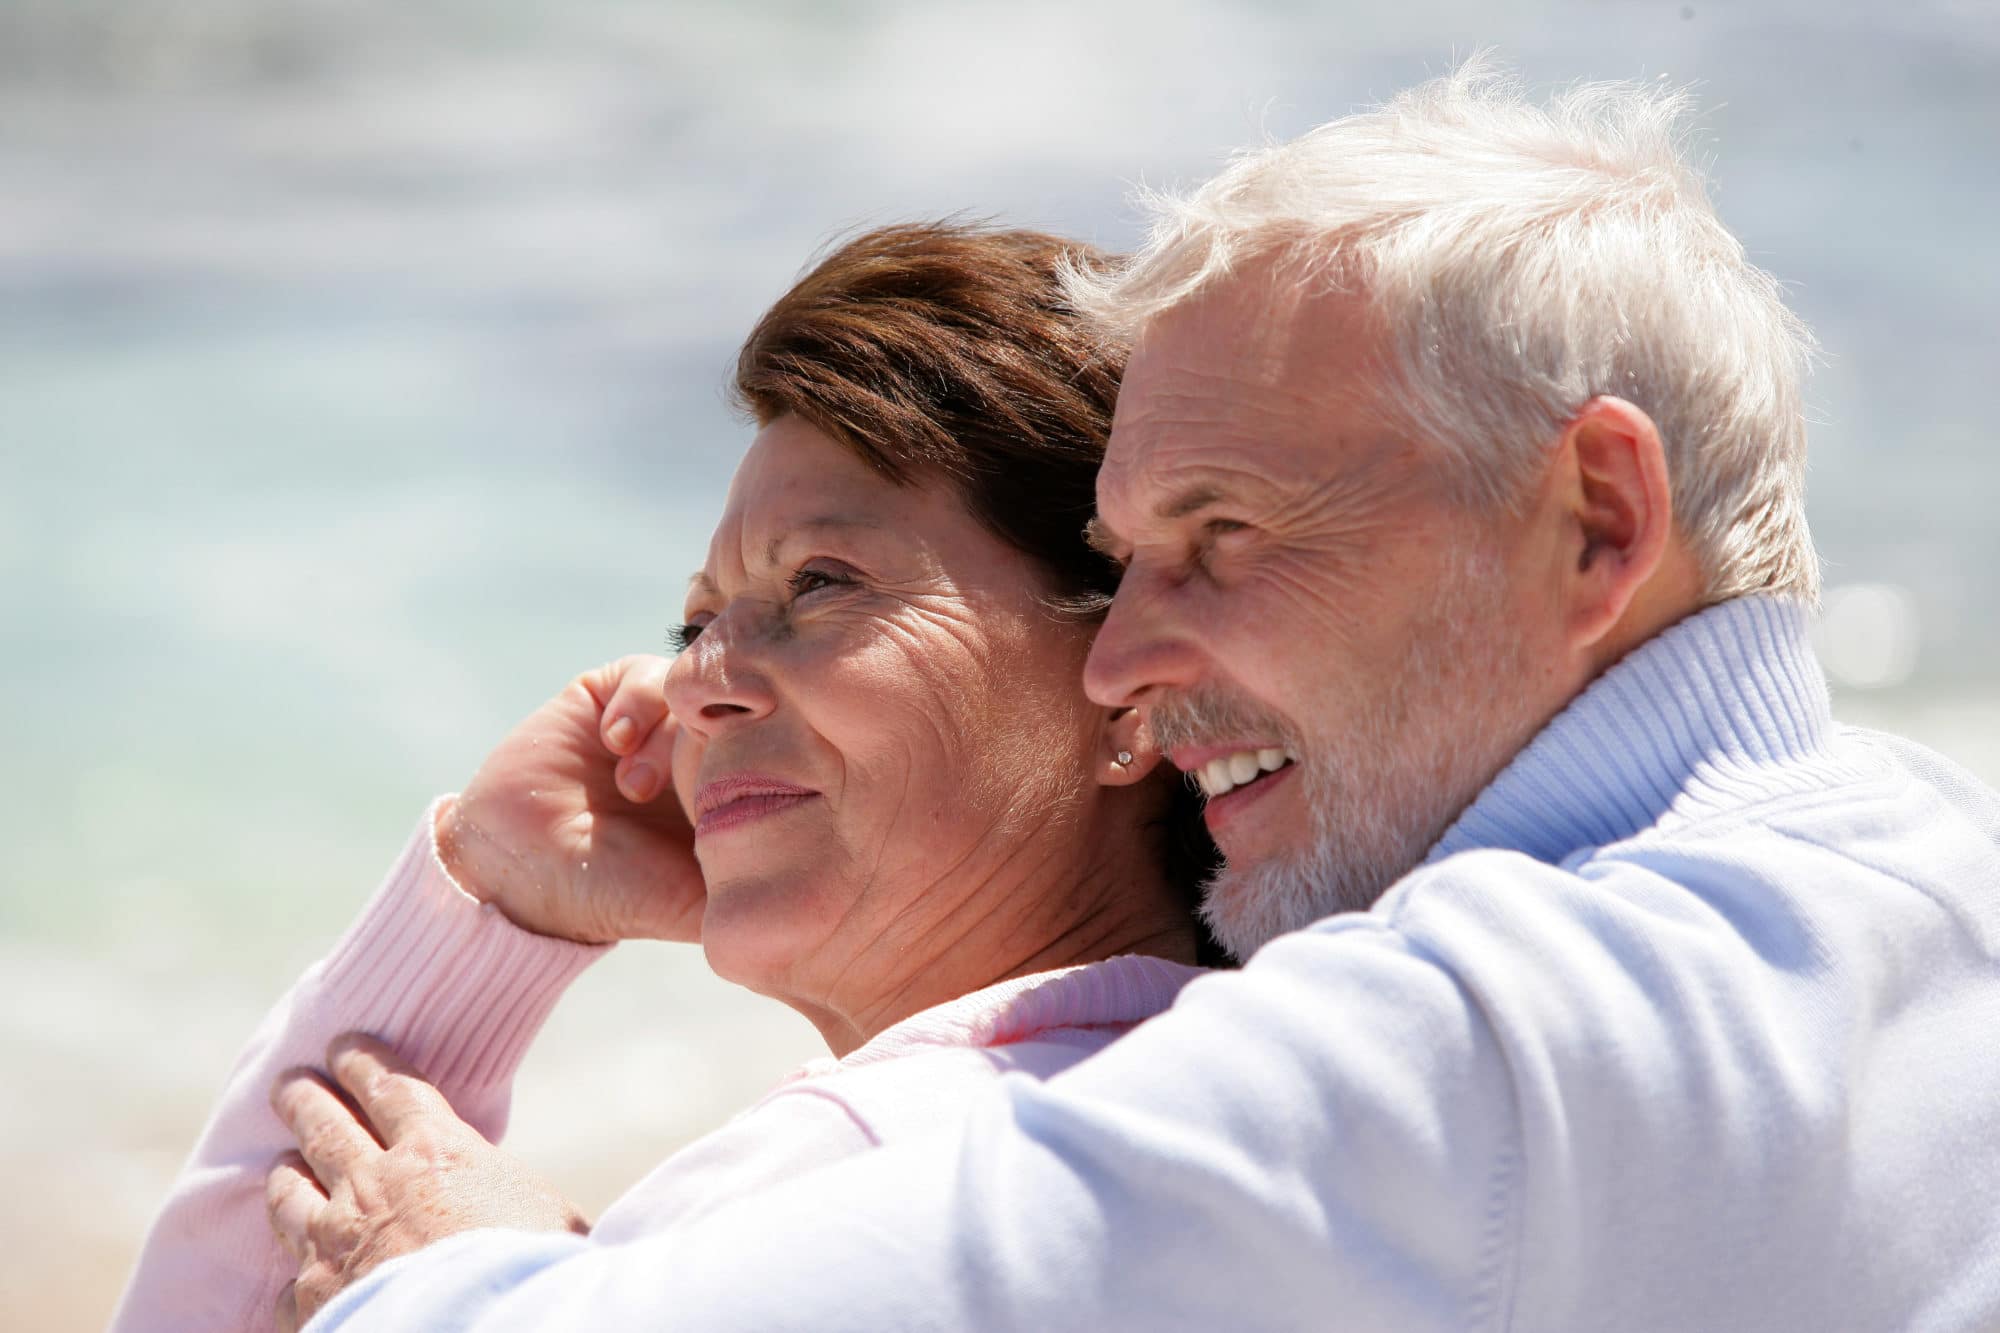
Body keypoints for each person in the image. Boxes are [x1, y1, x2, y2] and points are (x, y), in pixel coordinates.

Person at [280, 61, 2000, 1331]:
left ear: (1598, 518)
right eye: (1120, 556)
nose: (1120, 654)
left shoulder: (1477, 1040)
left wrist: (445, 1263)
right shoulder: (1925, 857)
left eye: (1219, 537)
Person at [109, 222, 1223, 1333]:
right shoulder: (1235, 1115)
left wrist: (468, 1289)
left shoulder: (841, 1181)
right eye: (694, 622)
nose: (696, 684)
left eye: (822, 583)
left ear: (1124, 687)